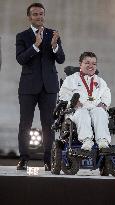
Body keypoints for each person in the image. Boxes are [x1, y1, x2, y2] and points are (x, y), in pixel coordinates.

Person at [16, 3, 65, 170]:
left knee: (48, 124)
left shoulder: (54, 34)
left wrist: (54, 46)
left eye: (41, 14)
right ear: (29, 17)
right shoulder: (22, 36)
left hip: (49, 87)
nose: (39, 17)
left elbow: (61, 59)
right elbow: (21, 59)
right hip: (28, 87)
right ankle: (23, 158)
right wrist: (35, 45)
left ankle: (48, 159)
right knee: (25, 124)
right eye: (35, 14)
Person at [59, 52, 111, 151]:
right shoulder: (71, 79)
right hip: (77, 110)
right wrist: (73, 102)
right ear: (80, 64)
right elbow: (63, 94)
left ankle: (103, 141)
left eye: (94, 63)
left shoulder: (100, 81)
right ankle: (87, 140)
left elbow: (106, 94)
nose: (91, 66)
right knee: (82, 113)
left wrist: (104, 104)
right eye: (87, 63)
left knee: (100, 112)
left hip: (95, 108)